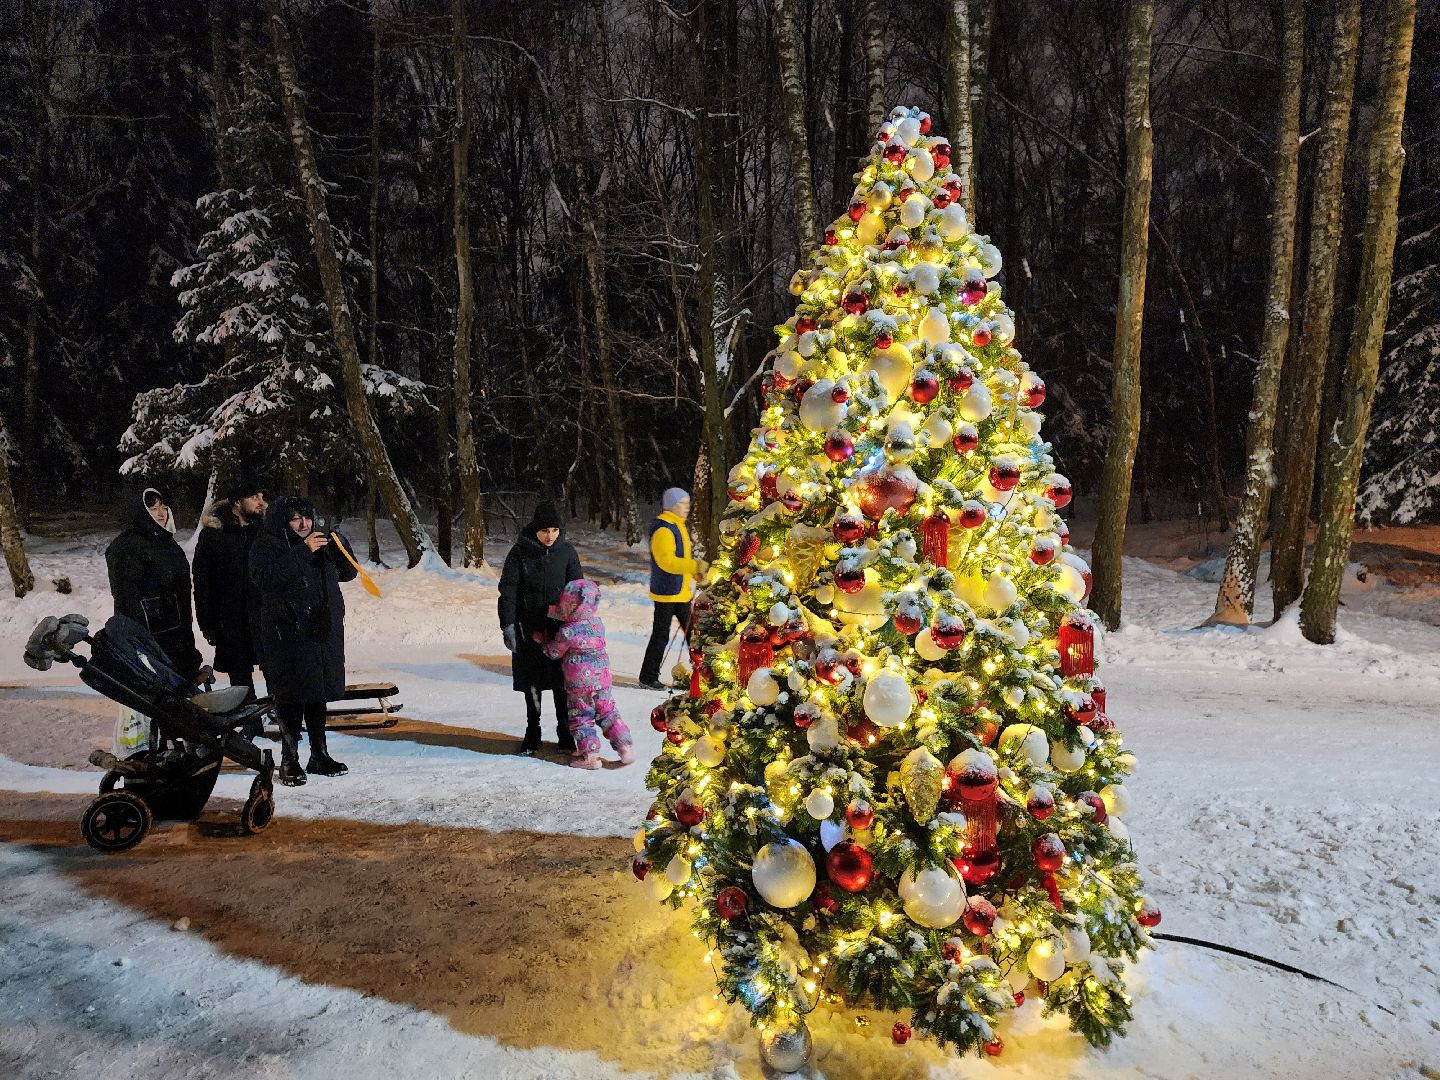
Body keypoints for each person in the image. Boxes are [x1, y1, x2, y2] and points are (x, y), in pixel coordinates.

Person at [249, 495, 357, 786]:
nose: (303, 524)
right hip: (288, 633)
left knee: (317, 693)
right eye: (295, 519)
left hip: (321, 630)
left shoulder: (320, 542)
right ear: (282, 522)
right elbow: (266, 579)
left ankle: (319, 754)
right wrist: (303, 551)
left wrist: (339, 543)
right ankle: (290, 759)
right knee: (290, 696)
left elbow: (349, 572)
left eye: (307, 517)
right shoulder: (267, 545)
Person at [497, 502, 582, 756]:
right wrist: (508, 625)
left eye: (555, 530)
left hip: (560, 632)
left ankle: (565, 732)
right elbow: (508, 591)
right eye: (545, 530)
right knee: (532, 683)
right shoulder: (519, 553)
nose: (550, 536)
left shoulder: (567, 552)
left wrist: (578, 624)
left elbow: (578, 590)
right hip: (528, 630)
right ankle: (532, 732)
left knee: (561, 683)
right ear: (535, 529)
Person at [105, 487, 202, 678]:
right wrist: (141, 641)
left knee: (181, 685)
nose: (161, 513)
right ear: (141, 512)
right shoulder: (126, 546)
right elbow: (127, 596)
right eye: (153, 508)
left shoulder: (166, 541)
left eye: (163, 507)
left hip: (177, 632)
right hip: (151, 636)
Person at [537, 578, 634, 770]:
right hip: (602, 679)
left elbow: (554, 652)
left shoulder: (568, 631)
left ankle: (590, 756)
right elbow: (574, 613)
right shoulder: (597, 624)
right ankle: (625, 748)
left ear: (570, 606)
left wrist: (543, 642)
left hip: (579, 683)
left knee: (581, 717)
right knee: (608, 712)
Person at [193, 479, 267, 692]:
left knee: (276, 677)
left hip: (263, 619)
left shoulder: (264, 531)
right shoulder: (214, 534)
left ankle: (281, 713)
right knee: (241, 686)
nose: (261, 502)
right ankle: (248, 714)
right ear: (237, 503)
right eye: (254, 497)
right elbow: (202, 581)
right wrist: (207, 623)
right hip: (231, 622)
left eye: (262, 497)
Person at [638, 488, 700, 691]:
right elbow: (667, 562)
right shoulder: (664, 529)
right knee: (661, 635)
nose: (687, 508)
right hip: (666, 593)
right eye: (683, 504)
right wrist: (693, 566)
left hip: (680, 593)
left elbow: (682, 559)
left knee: (693, 634)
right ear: (672, 505)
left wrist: (694, 573)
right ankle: (648, 676)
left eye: (688, 504)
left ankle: (702, 675)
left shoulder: (678, 526)